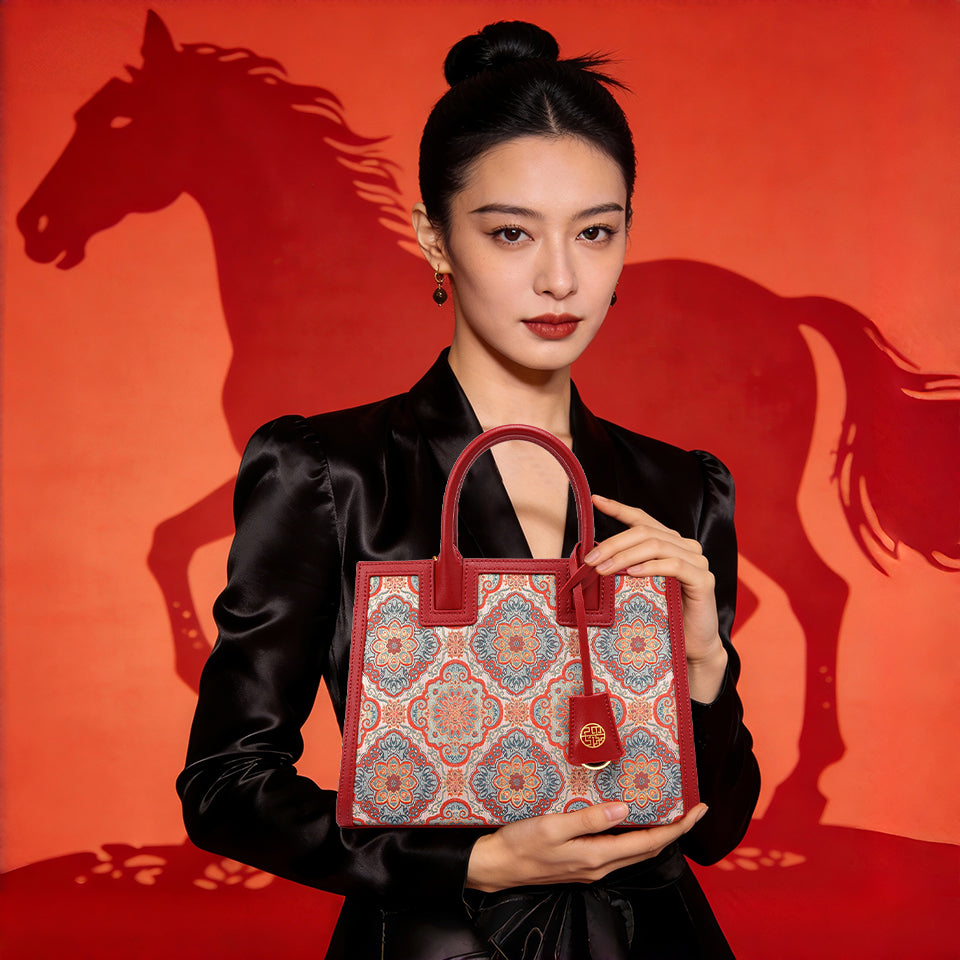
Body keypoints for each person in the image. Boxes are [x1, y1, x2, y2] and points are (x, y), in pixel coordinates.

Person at [177, 20, 760, 960]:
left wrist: (702, 667)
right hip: (436, 941)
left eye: (596, 232)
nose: (561, 277)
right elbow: (226, 785)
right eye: (510, 232)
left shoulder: (678, 487)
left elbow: (721, 828)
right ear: (434, 239)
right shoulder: (332, 473)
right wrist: (468, 863)